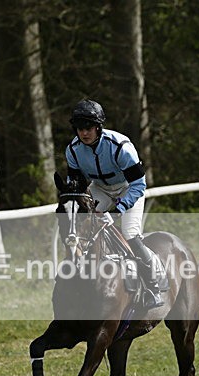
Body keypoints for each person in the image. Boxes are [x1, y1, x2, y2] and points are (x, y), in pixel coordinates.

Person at [65, 99, 168, 308]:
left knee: (129, 233)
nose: (84, 133)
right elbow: (76, 185)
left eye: (88, 128)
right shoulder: (73, 150)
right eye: (80, 129)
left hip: (129, 189)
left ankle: (153, 285)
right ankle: (82, 282)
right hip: (100, 189)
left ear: (98, 127)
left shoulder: (120, 146)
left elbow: (139, 184)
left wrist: (119, 208)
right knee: (82, 230)